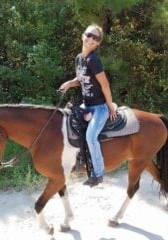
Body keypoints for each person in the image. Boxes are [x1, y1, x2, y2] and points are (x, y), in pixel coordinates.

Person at [59, 23, 117, 187]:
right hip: (86, 104)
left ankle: (98, 174)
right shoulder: (79, 58)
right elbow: (81, 78)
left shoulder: (93, 60)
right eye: (89, 35)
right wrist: (69, 84)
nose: (91, 39)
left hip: (99, 107)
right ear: (83, 36)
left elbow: (104, 84)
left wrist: (110, 105)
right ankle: (76, 161)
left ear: (98, 43)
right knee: (67, 122)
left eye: (95, 38)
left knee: (91, 136)